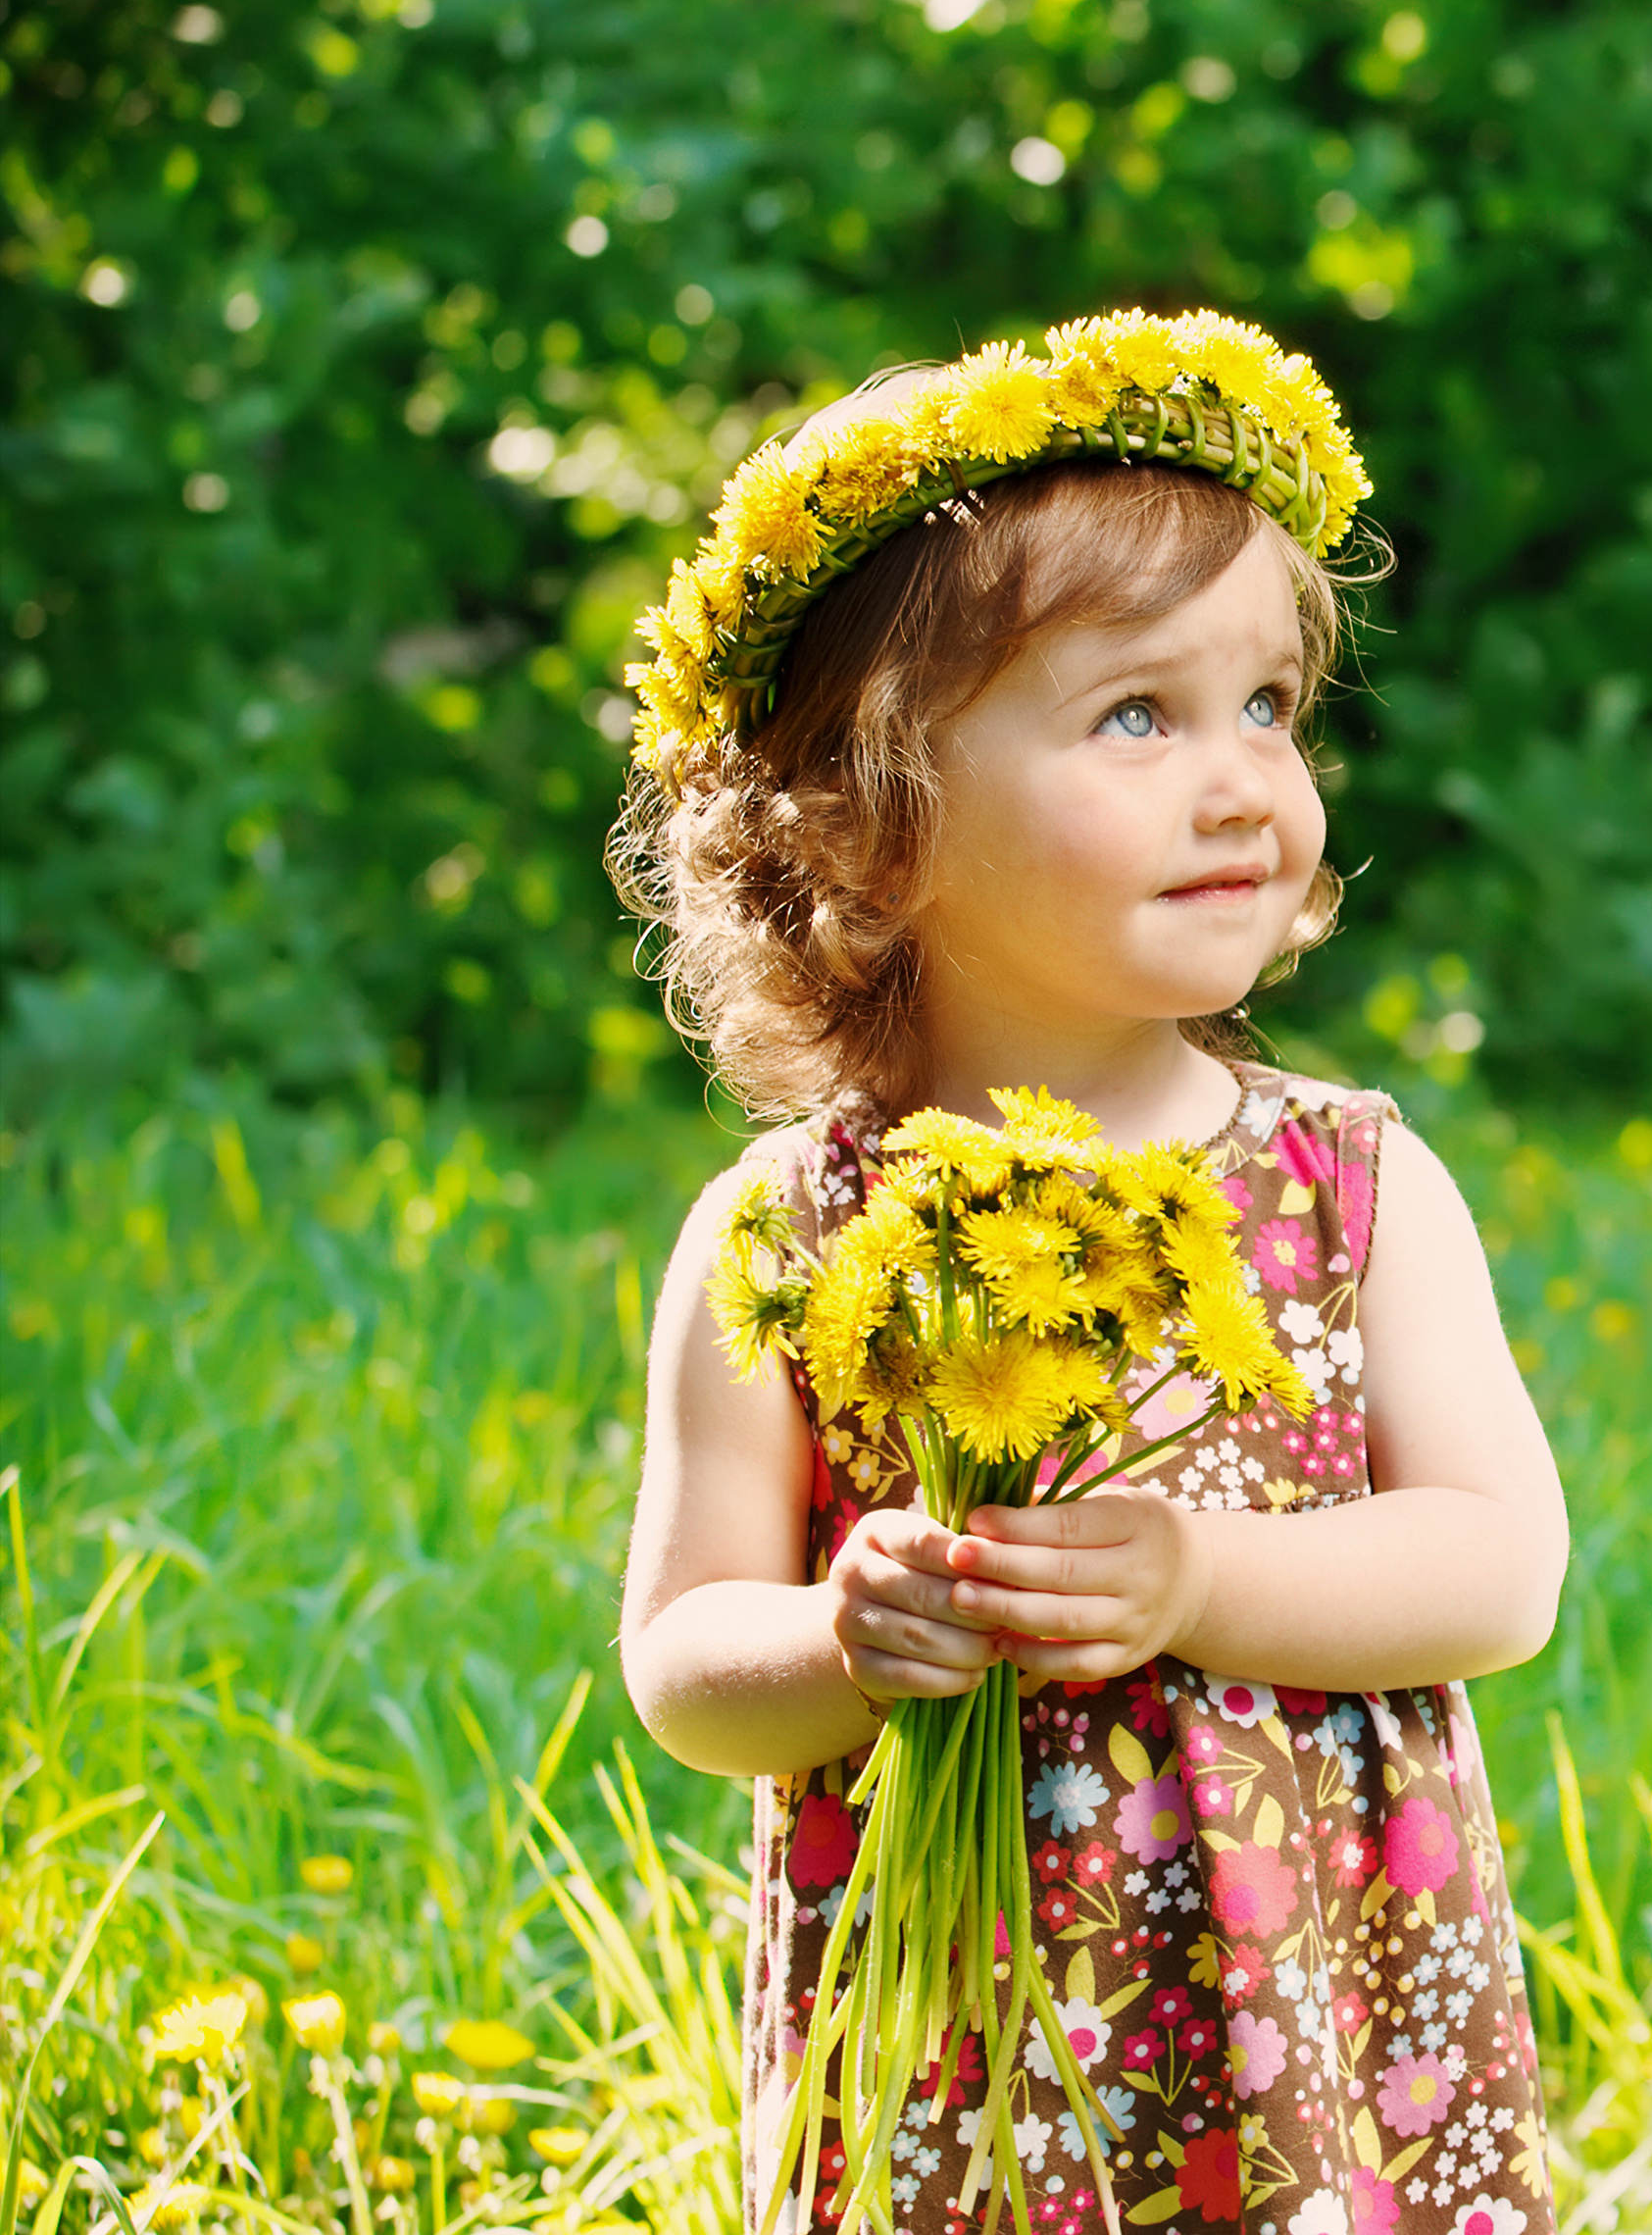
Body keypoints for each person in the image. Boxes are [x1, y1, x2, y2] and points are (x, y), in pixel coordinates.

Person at [608, 308, 1567, 2235]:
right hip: (960, 2036)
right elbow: (683, 1664)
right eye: (1139, 715)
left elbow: (1499, 1565)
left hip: (1325, 2023)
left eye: (1270, 708)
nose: (1238, 784)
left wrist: (1204, 1576)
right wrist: (838, 1639)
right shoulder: (788, 1232)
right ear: (872, 833)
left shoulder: (1346, 1183)